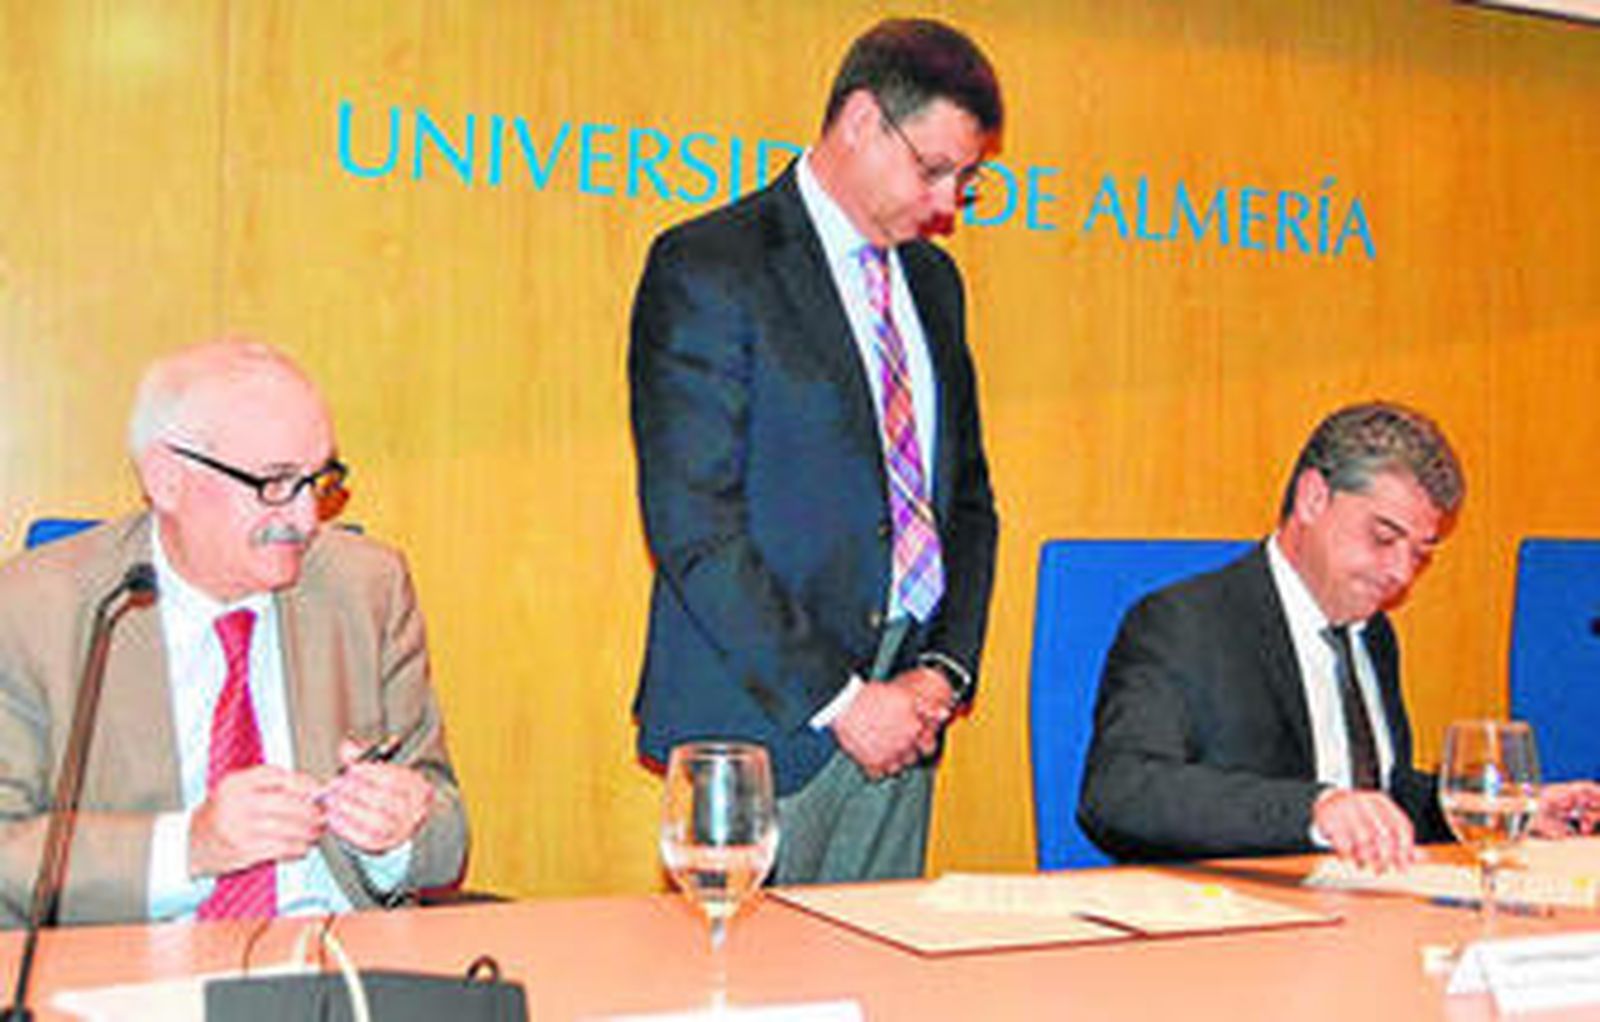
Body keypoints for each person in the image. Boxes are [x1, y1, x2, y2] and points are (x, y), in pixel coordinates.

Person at [628, 18, 1002, 883]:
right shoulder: (711, 266)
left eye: (966, 180)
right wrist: (844, 704)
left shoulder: (934, 284)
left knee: (875, 986)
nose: (947, 203)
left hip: (908, 713)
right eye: (934, 169)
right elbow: (694, 525)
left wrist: (940, 673)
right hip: (764, 712)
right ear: (862, 121)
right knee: (747, 994)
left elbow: (966, 500)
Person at [0, 340, 467, 926]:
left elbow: (446, 832)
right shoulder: (34, 610)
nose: (304, 519)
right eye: (274, 483)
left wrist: (398, 835)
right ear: (167, 479)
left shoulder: (368, 587)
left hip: (338, 966)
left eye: (319, 481)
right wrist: (189, 849)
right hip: (133, 980)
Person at [1079, 401, 1600, 871]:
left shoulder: (1372, 633)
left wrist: (1500, 810)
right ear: (1312, 498)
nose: (1401, 573)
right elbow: (1121, 792)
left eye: (1419, 553)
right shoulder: (1185, 622)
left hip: (1356, 916)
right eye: (1383, 537)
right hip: (1234, 928)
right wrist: (1317, 809)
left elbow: (1381, 791)